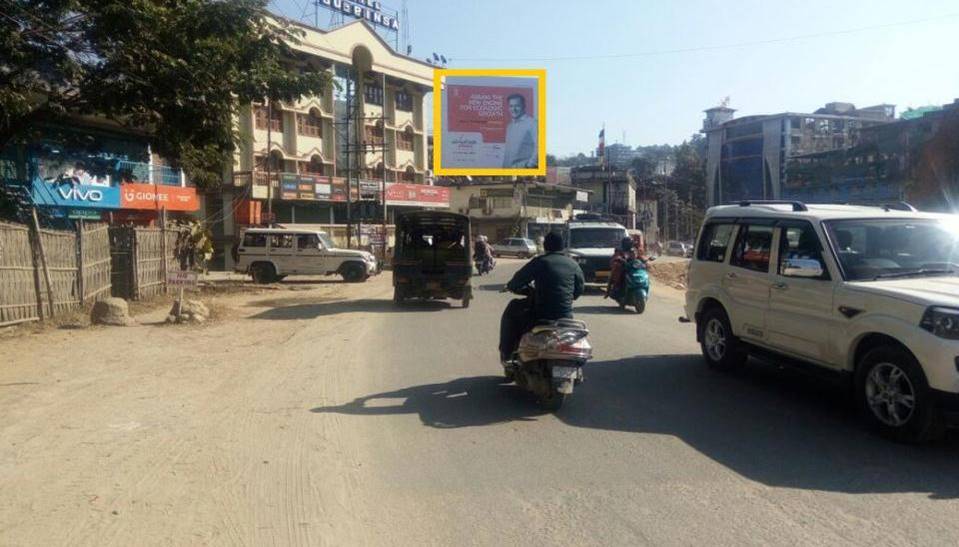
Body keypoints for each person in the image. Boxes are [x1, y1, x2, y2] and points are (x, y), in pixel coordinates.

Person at [499, 232, 585, 363]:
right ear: (562, 247)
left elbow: (516, 282)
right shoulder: (573, 264)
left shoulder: (540, 262)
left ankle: (507, 352)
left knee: (513, 308)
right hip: (566, 317)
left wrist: (514, 287)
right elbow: (579, 290)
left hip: (540, 316)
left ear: (545, 246)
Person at [502, 93, 538, 169]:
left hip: (522, 169)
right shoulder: (510, 126)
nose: (514, 109)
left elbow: (539, 146)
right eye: (511, 106)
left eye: (517, 106)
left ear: (524, 106)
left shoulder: (532, 123)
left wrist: (530, 165)